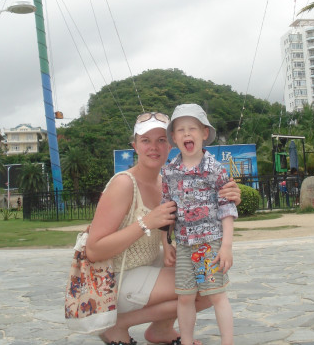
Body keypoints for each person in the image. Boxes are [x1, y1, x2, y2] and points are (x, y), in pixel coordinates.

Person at [85, 111, 241, 345]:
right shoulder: (123, 184)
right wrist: (146, 222)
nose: (154, 147)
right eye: (145, 140)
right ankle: (118, 324)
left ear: (170, 145)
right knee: (200, 285)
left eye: (160, 140)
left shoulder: (167, 180)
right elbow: (93, 250)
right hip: (115, 278)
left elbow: (199, 210)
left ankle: (160, 330)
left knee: (210, 279)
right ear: (135, 146)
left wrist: (230, 196)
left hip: (146, 265)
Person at [162, 104, 238, 345]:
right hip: (184, 245)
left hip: (210, 244)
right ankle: (186, 341)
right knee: (184, 297)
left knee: (217, 295)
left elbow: (227, 208)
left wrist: (226, 246)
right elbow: (167, 211)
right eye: (180, 129)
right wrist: (166, 244)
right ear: (174, 138)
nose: (187, 133)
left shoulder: (216, 170)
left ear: (204, 133)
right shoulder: (169, 172)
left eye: (192, 128)